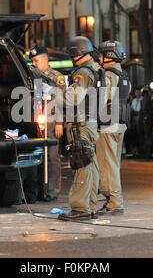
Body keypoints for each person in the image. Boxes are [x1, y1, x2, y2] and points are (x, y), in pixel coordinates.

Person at [53, 36, 103, 221]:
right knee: (89, 165)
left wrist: (57, 91)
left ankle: (80, 208)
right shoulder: (96, 69)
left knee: (81, 164)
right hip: (90, 122)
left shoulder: (83, 72)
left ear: (76, 53)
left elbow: (73, 98)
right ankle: (90, 207)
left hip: (80, 124)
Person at [95, 40, 131, 216]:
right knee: (113, 164)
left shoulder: (108, 76)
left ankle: (115, 203)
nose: (99, 58)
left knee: (108, 165)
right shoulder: (123, 75)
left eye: (101, 55)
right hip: (120, 124)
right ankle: (111, 201)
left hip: (108, 125)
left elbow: (101, 99)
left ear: (108, 56)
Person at [29, 45, 66, 201]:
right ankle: (37, 190)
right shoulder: (33, 77)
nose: (34, 64)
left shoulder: (56, 77)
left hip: (51, 120)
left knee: (52, 157)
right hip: (37, 120)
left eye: (36, 60)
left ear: (45, 59)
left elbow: (62, 102)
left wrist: (59, 123)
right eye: (32, 61)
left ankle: (52, 191)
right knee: (38, 156)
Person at [129, 87, 143, 157]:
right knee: (134, 134)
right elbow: (132, 108)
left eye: (139, 92)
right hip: (134, 118)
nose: (137, 93)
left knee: (139, 134)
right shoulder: (134, 100)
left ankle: (140, 150)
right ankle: (135, 150)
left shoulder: (142, 100)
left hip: (140, 118)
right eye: (136, 92)